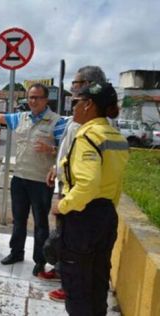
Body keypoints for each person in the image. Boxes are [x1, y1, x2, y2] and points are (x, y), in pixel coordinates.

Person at [0, 83, 65, 275]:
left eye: (37, 97)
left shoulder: (57, 122)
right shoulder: (21, 118)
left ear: (45, 100)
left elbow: (65, 153)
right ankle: (16, 252)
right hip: (19, 178)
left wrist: (51, 150)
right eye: (30, 97)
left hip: (41, 181)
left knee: (41, 223)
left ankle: (39, 261)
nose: (33, 101)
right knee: (18, 220)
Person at [52, 82, 128, 315]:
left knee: (77, 287)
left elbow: (87, 184)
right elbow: (114, 183)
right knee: (97, 281)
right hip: (106, 215)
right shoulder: (116, 136)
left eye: (76, 102)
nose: (73, 108)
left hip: (83, 219)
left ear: (89, 105)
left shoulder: (88, 136)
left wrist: (61, 206)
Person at [41, 66, 108, 302]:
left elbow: (87, 173)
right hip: (68, 184)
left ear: (89, 84)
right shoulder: (79, 116)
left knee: (74, 242)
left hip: (80, 195)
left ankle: (70, 286)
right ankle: (62, 273)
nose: (72, 87)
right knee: (64, 235)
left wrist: (66, 202)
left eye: (77, 83)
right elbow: (68, 151)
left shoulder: (90, 120)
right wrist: (55, 168)